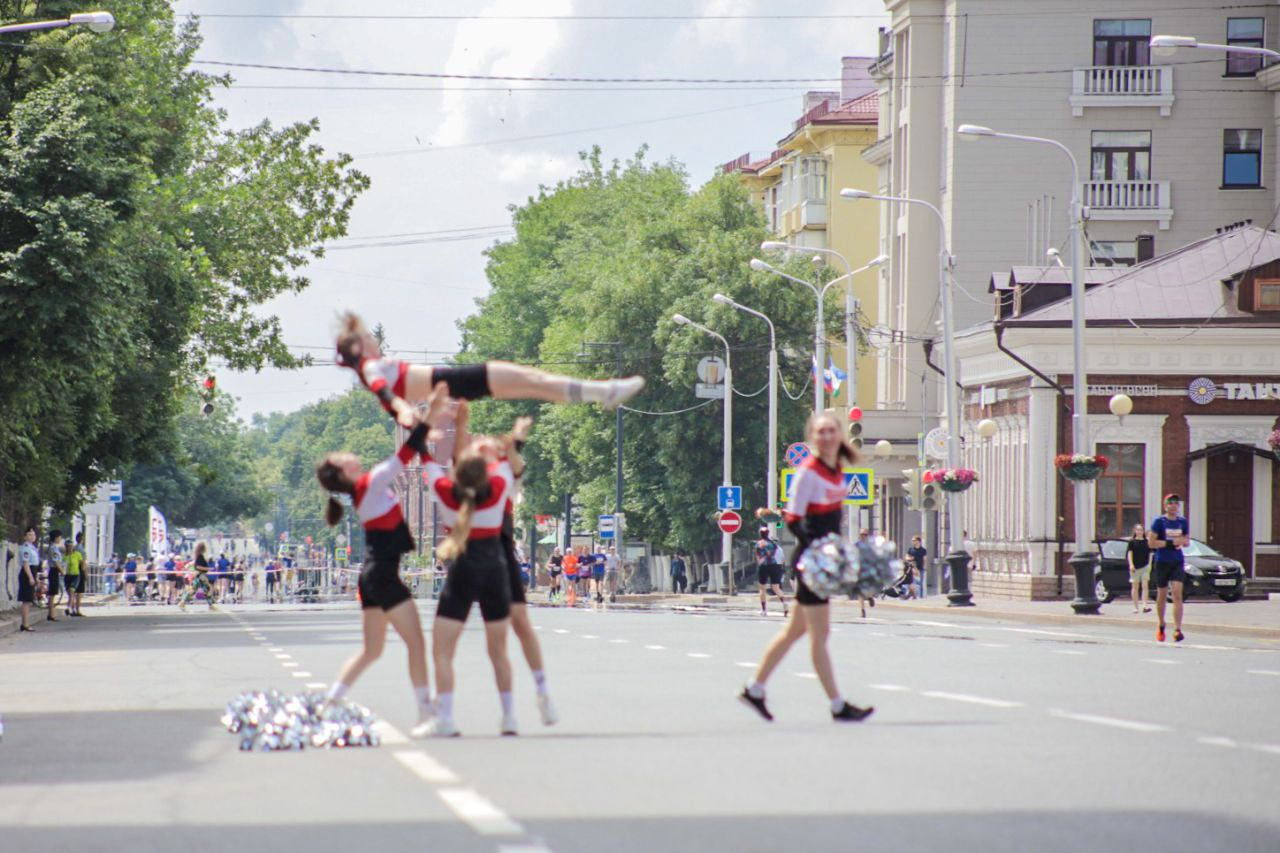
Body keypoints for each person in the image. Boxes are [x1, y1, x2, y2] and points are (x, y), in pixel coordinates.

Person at [739, 411, 874, 724]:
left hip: (824, 556)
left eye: (831, 431)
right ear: (813, 436)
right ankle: (838, 705)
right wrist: (820, 552)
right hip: (812, 560)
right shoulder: (809, 472)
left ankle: (755, 689)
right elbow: (795, 519)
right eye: (821, 431)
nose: (826, 436)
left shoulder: (836, 468)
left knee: (793, 632)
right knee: (819, 635)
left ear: (838, 435)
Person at [314, 404, 436, 739]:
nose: (350, 454)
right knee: (415, 643)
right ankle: (427, 713)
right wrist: (431, 411)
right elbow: (410, 449)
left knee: (372, 650)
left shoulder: (365, 488)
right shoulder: (369, 483)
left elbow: (415, 447)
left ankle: (331, 703)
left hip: (372, 576)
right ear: (345, 471)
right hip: (382, 575)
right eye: (343, 456)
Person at [335, 312, 645, 430]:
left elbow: (386, 394)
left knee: (535, 386)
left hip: (456, 386)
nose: (374, 339)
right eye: (368, 337)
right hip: (458, 380)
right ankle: (604, 391)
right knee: (533, 380)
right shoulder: (371, 367)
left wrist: (403, 410)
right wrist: (403, 410)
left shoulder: (368, 368)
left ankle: (602, 393)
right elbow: (383, 389)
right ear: (361, 347)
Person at [419, 389, 522, 737]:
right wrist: (512, 438)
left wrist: (437, 420)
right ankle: (509, 716)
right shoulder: (498, 488)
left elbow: (428, 458)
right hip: (495, 571)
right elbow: (506, 462)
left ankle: (445, 719)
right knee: (499, 652)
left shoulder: (448, 495)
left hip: (462, 572)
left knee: (443, 650)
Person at [451, 399, 558, 727]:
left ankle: (542, 691)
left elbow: (516, 466)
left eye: (486, 443)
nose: (481, 442)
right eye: (477, 442)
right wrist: (462, 426)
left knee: (521, 623)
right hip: (470, 555)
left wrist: (513, 441)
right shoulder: (468, 480)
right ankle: (442, 705)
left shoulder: (502, 479)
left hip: (500, 552)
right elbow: (459, 455)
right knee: (461, 633)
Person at [1148, 494, 1188, 643]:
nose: (1173, 505)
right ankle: (1161, 623)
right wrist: (1170, 543)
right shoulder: (1159, 521)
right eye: (1170, 503)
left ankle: (1177, 629)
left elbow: (1187, 541)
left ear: (1178, 506)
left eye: (1176, 503)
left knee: (1177, 593)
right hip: (1162, 561)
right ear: (1165, 506)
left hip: (1177, 561)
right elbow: (1151, 543)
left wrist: (1182, 541)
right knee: (1162, 593)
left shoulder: (1182, 522)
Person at [755, 526, 787, 616]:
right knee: (776, 587)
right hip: (774, 565)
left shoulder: (758, 544)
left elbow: (758, 556)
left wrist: (760, 562)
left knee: (762, 588)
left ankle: (764, 610)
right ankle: (785, 604)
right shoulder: (773, 544)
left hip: (763, 566)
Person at [179, 543, 218, 611]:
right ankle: (211, 606)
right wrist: (209, 569)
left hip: (199, 576)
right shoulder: (200, 557)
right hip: (201, 576)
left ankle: (182, 602)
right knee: (207, 590)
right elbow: (198, 567)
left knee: (194, 591)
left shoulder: (198, 556)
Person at [1126, 523, 1153, 615]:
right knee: (1135, 586)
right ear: (1135, 531)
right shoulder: (1132, 542)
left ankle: (1145, 605)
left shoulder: (1147, 542)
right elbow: (1130, 554)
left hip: (1145, 566)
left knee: (1145, 586)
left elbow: (1150, 554)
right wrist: (1131, 564)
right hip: (1135, 567)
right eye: (1137, 530)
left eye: (1141, 530)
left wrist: (1149, 565)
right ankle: (1135, 607)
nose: (1139, 532)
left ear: (1143, 531)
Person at [18, 527, 40, 632]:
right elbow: (26, 564)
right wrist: (31, 577)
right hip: (27, 573)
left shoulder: (32, 547)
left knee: (29, 600)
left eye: (34, 534)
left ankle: (26, 623)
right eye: (30, 534)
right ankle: (25, 624)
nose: (32, 536)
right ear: (25, 536)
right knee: (26, 600)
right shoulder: (26, 548)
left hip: (32, 571)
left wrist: (36, 577)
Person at [64, 532, 86, 617]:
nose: (70, 548)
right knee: (72, 593)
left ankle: (69, 608)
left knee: (72, 591)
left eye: (70, 546)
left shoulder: (77, 554)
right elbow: (63, 565)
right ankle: (73, 609)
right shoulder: (65, 556)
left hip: (76, 575)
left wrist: (83, 570)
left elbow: (82, 562)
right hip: (68, 576)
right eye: (68, 546)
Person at [45, 530, 65, 623]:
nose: (60, 539)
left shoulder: (54, 547)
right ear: (56, 537)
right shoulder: (53, 548)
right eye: (60, 537)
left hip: (53, 571)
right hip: (53, 571)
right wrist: (62, 571)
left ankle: (51, 613)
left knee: (52, 593)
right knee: (52, 594)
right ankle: (51, 614)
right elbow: (56, 562)